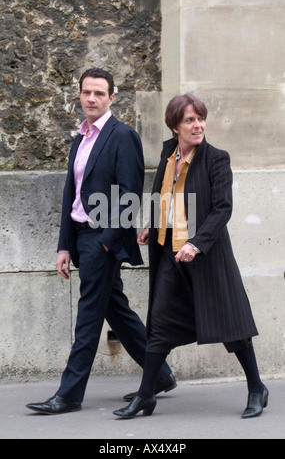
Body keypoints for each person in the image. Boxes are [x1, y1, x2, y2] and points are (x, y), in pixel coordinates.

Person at [26, 68, 176, 415]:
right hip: (81, 237)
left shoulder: (122, 135)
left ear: (111, 97)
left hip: (101, 239)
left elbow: (131, 193)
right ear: (79, 95)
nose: (91, 99)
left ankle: (69, 394)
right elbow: (71, 195)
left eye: (98, 93)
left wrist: (108, 242)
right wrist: (64, 246)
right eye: (86, 93)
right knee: (116, 310)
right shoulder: (81, 138)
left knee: (88, 316)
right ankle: (162, 375)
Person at [113, 93, 268, 420]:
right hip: (171, 254)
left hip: (207, 256)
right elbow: (162, 196)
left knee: (230, 324)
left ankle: (257, 387)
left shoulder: (216, 159)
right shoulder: (169, 154)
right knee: (159, 324)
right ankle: (145, 395)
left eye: (200, 119)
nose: (198, 125)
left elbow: (222, 209)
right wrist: (149, 226)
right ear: (174, 127)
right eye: (190, 120)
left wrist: (197, 243)